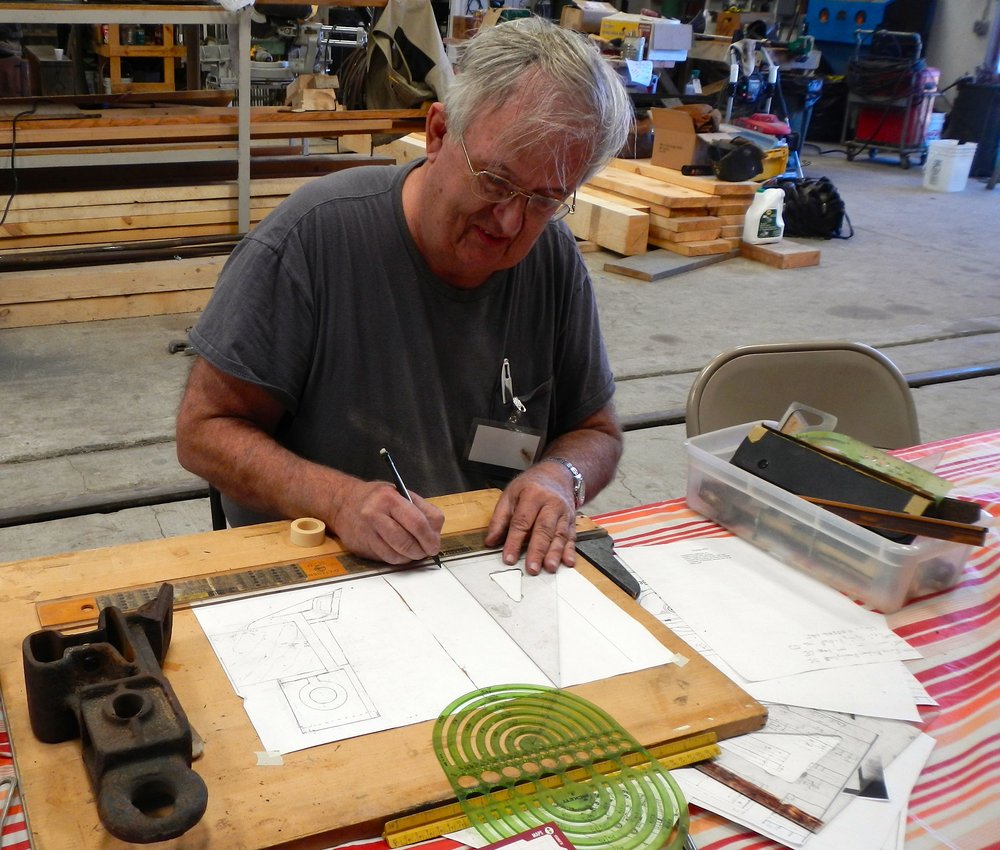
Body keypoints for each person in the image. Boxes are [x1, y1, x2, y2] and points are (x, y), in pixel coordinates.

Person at [175, 16, 632, 576]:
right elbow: (204, 433)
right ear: (438, 134)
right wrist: (336, 499)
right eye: (494, 180)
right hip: (319, 570)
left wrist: (562, 476)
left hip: (484, 567)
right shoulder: (313, 240)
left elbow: (597, 432)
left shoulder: (554, 258)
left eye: (545, 199)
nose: (511, 220)